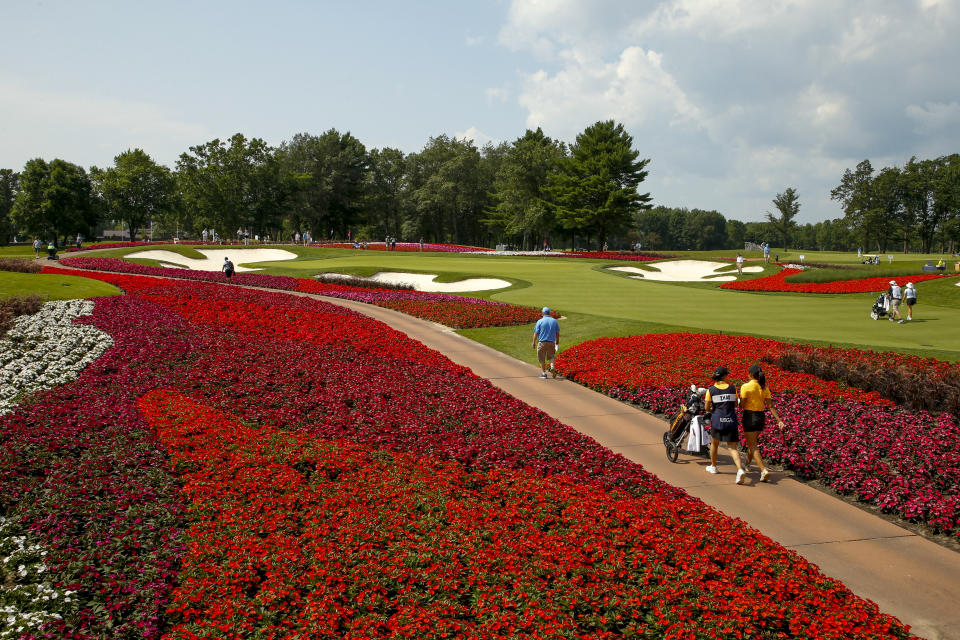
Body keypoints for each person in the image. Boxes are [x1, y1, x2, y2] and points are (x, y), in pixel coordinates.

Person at [739, 364, 786, 482]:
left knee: (752, 445)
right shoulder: (764, 388)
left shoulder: (746, 386)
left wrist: (738, 402)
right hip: (761, 417)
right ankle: (747, 465)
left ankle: (763, 469)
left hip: (749, 416)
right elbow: (770, 406)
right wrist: (779, 420)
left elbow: (742, 405)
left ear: (750, 374)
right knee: (753, 442)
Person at [704, 366, 746, 483]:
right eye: (727, 375)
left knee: (715, 444)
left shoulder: (711, 390)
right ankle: (740, 470)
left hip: (717, 421)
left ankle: (713, 466)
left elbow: (707, 407)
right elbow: (735, 405)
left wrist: (714, 411)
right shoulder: (732, 388)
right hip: (731, 420)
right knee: (732, 447)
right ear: (724, 376)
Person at [531, 307, 560, 379]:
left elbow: (536, 333)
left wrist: (533, 342)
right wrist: (557, 342)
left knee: (541, 358)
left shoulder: (540, 321)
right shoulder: (554, 321)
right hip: (551, 342)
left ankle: (544, 374)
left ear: (542, 313)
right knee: (551, 356)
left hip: (542, 342)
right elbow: (557, 333)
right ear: (549, 313)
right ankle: (552, 366)